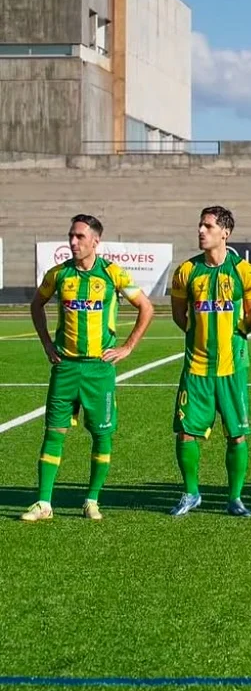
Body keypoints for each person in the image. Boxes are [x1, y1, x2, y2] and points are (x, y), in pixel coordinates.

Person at [21, 214, 155, 522]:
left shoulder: (112, 274)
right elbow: (36, 305)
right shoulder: (58, 275)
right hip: (65, 368)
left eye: (80, 236)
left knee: (101, 436)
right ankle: (44, 503)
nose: (73, 242)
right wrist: (46, 343)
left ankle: (92, 500)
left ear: (95, 240)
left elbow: (146, 307)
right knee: (54, 432)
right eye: (71, 236)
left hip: (98, 370)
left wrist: (128, 347)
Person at [168, 206, 251, 518]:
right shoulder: (185, 272)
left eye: (208, 226)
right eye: (200, 225)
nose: (201, 231)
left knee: (236, 433)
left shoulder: (244, 272)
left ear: (226, 233)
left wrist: (234, 339)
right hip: (196, 367)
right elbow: (180, 316)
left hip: (232, 367)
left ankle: (235, 498)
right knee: (186, 432)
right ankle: (191, 493)